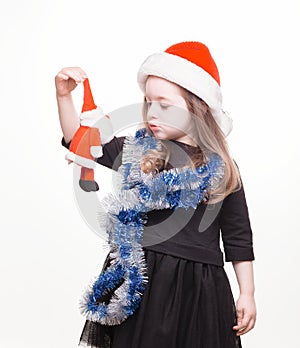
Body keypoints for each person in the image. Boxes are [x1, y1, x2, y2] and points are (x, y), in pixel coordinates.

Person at [55, 41, 257, 348]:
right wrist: (64, 96)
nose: (153, 112)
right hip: (144, 283)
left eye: (165, 103)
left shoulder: (222, 169)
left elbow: (238, 237)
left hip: (198, 289)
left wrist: (247, 293)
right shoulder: (139, 155)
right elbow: (77, 141)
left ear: (198, 105)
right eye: (149, 102)